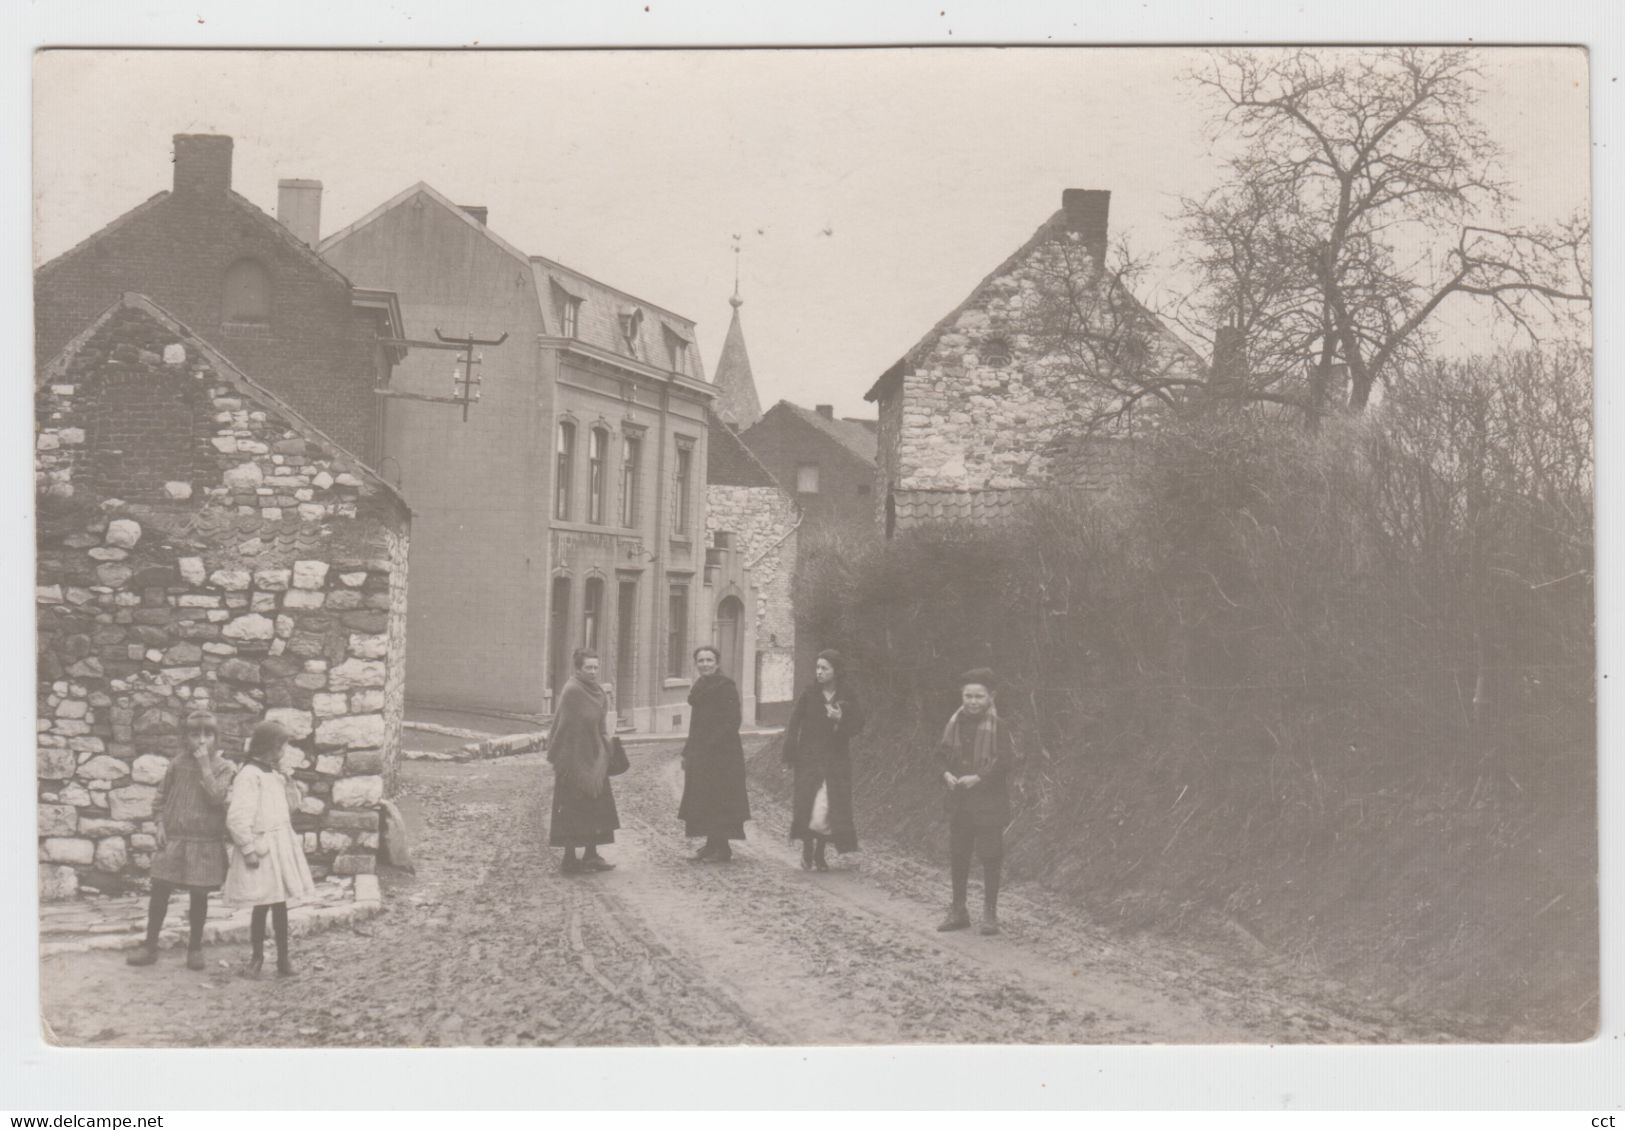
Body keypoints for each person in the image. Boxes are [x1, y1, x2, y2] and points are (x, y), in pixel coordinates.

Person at [126, 708, 236, 971]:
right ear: (185, 737)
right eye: (194, 734)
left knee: (199, 895)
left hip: (204, 842)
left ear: (216, 738)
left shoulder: (225, 768)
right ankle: (150, 945)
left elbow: (216, 798)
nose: (201, 740)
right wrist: (160, 824)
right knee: (160, 890)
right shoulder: (177, 764)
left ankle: (195, 948)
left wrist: (205, 766)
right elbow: (160, 798)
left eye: (207, 735)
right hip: (175, 839)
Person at [223, 719, 317, 977]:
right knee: (261, 904)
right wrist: (248, 848)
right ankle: (257, 958)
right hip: (262, 847)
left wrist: (289, 783)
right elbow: (237, 817)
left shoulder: (275, 775)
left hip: (280, 845)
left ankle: (284, 959)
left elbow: (292, 807)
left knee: (280, 905)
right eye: (280, 747)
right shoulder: (249, 775)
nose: (283, 752)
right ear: (267, 747)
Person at [934, 667, 1017, 936]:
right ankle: (958, 910)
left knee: (990, 857)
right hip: (960, 803)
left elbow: (1005, 762)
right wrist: (945, 773)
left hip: (989, 804)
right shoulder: (953, 724)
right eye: (967, 696)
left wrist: (979, 778)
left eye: (978, 696)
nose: (972, 702)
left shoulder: (999, 726)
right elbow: (939, 756)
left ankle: (990, 914)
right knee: (959, 856)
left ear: (991, 697)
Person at [784, 649, 865, 871]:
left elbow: (858, 724)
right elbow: (794, 722)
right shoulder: (809, 693)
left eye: (824, 668)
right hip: (809, 758)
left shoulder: (847, 695)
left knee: (827, 806)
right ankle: (808, 849)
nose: (819, 672)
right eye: (817, 668)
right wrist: (791, 752)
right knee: (809, 804)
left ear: (836, 671)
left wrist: (841, 719)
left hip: (835, 760)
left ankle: (820, 852)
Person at [546, 648, 620, 874]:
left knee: (596, 807)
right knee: (572, 808)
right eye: (588, 667)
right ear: (578, 669)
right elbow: (566, 728)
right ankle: (569, 860)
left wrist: (604, 747)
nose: (593, 672)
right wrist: (573, 758)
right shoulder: (572, 691)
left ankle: (591, 855)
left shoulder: (597, 691)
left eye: (596, 667)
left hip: (595, 757)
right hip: (573, 760)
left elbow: (599, 724)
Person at [677, 645, 751, 862]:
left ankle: (722, 848)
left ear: (717, 663)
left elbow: (732, 722)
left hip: (723, 756)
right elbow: (697, 725)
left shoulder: (725, 687)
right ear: (696, 664)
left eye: (709, 660)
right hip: (702, 753)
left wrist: (708, 747)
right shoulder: (700, 687)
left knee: (720, 799)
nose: (705, 664)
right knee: (704, 799)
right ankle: (711, 844)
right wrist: (688, 751)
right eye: (701, 661)